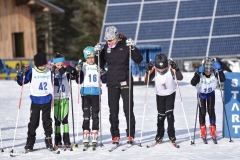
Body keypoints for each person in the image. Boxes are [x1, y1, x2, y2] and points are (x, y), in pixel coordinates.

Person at [94, 26, 143, 144]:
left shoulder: (126, 45)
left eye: (110, 40)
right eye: (107, 40)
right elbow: (100, 63)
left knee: (128, 109)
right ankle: (115, 135)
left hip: (125, 81)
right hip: (112, 82)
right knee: (113, 111)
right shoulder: (107, 48)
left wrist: (134, 48)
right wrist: (97, 53)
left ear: (116, 37)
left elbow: (138, 59)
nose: (108, 42)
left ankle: (130, 134)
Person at [16, 53, 54, 151]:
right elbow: (21, 82)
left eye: (44, 65)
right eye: (40, 65)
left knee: (47, 122)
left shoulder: (49, 71)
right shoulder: (31, 72)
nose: (42, 67)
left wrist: (58, 71)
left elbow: (57, 80)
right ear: (36, 65)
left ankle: (49, 140)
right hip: (35, 101)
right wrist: (21, 73)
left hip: (46, 100)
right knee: (33, 123)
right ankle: (30, 142)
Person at [144, 54, 183, 144]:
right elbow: (146, 81)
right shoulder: (154, 69)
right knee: (161, 116)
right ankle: (160, 135)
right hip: (160, 95)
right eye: (159, 68)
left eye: (163, 68)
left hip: (170, 94)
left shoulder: (170, 68)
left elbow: (180, 78)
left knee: (169, 115)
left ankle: (171, 135)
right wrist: (147, 72)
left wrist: (176, 69)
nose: (161, 70)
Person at [75, 46, 106, 148]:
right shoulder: (83, 65)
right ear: (85, 58)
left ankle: (95, 134)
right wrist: (77, 70)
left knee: (95, 115)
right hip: (86, 94)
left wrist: (103, 72)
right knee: (86, 115)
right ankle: (86, 133)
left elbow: (104, 78)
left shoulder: (98, 65)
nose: (91, 59)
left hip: (96, 93)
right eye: (88, 58)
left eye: (92, 57)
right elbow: (77, 76)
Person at [190, 57, 225, 142]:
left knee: (211, 111)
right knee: (202, 112)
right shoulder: (200, 73)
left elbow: (223, 79)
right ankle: (203, 131)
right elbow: (192, 83)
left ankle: (213, 131)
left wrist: (220, 70)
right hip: (202, 95)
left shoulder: (214, 73)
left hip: (210, 95)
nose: (208, 73)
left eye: (210, 71)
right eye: (206, 71)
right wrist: (197, 73)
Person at [52, 53, 77, 149]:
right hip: (56, 98)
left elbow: (74, 77)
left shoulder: (65, 71)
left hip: (65, 97)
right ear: (54, 64)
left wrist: (73, 71)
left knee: (65, 120)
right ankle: (57, 140)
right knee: (57, 120)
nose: (60, 66)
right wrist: (59, 72)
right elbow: (55, 80)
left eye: (61, 65)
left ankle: (66, 139)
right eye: (58, 65)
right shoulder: (52, 71)